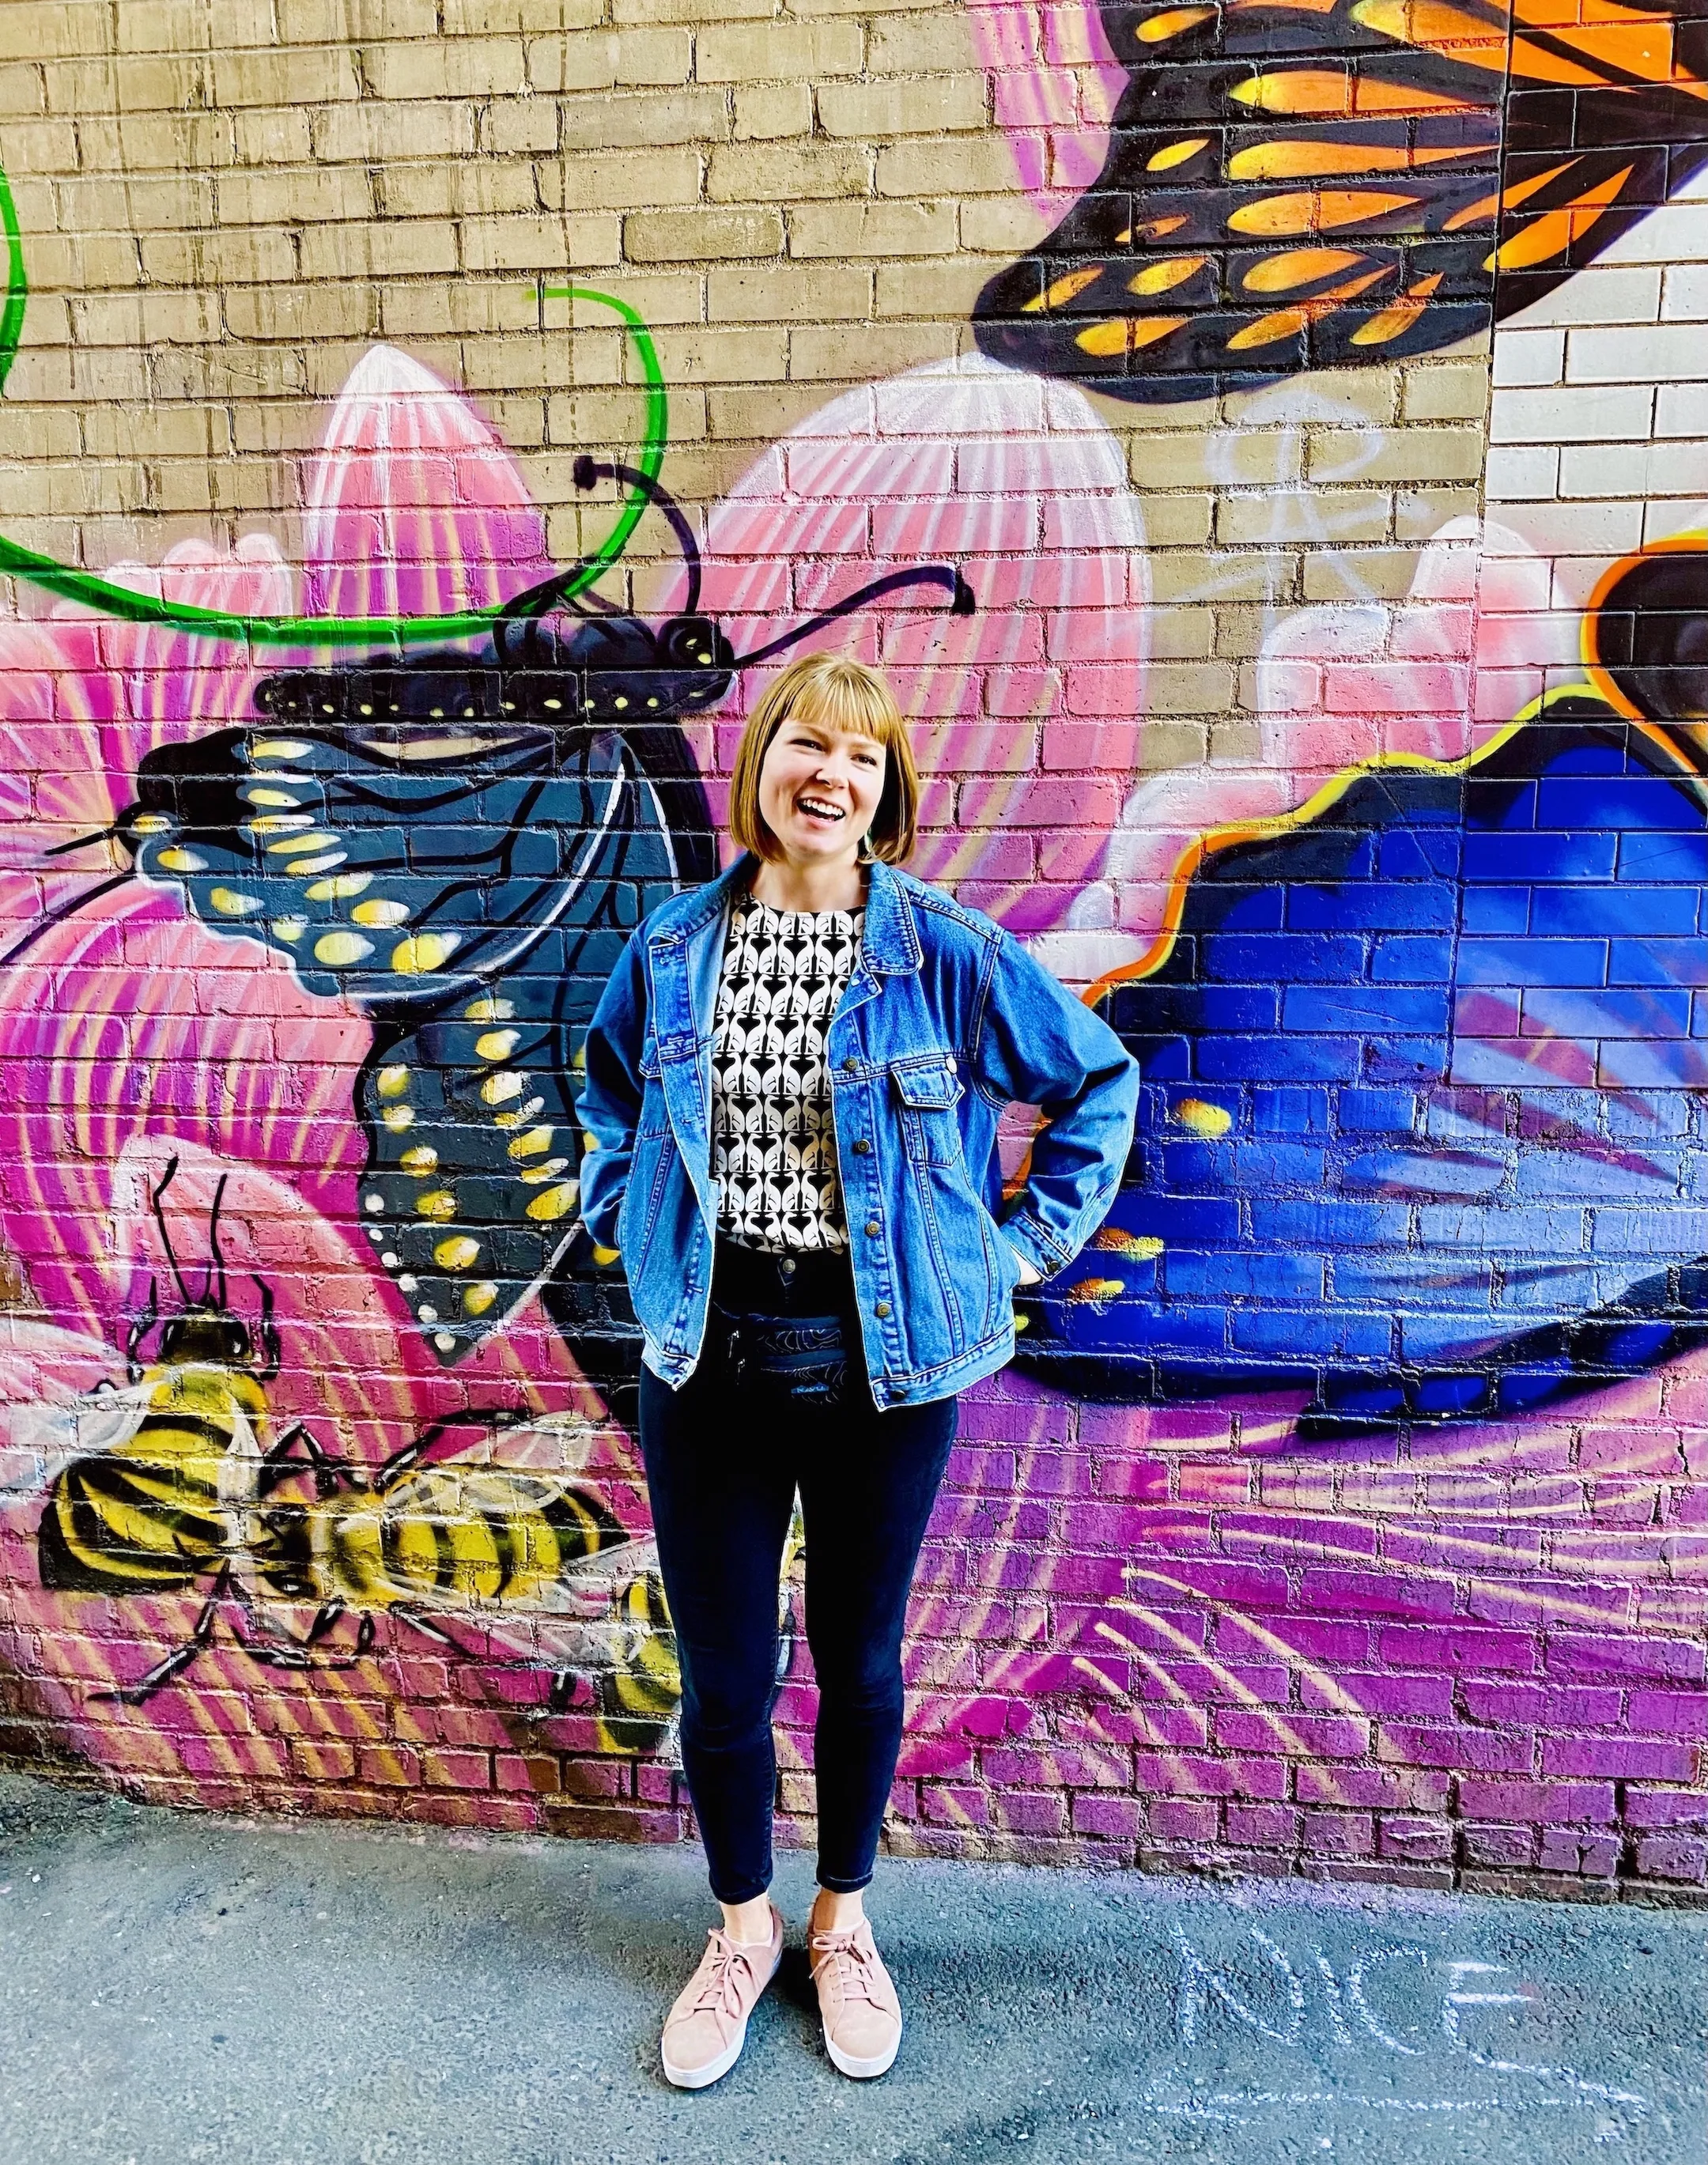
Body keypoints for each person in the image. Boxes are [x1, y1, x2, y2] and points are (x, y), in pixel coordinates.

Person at [579, 652, 1139, 2089]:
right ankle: (741, 1927)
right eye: (806, 746)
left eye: (864, 758)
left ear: (888, 792)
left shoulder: (941, 949)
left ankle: (842, 1922)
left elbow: (1096, 1083)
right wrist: (625, 1224)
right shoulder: (670, 949)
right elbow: (614, 1099)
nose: (831, 775)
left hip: (889, 1359)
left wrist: (1016, 1253)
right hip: (707, 1349)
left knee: (860, 1658)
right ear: (761, 761)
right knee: (719, 1677)